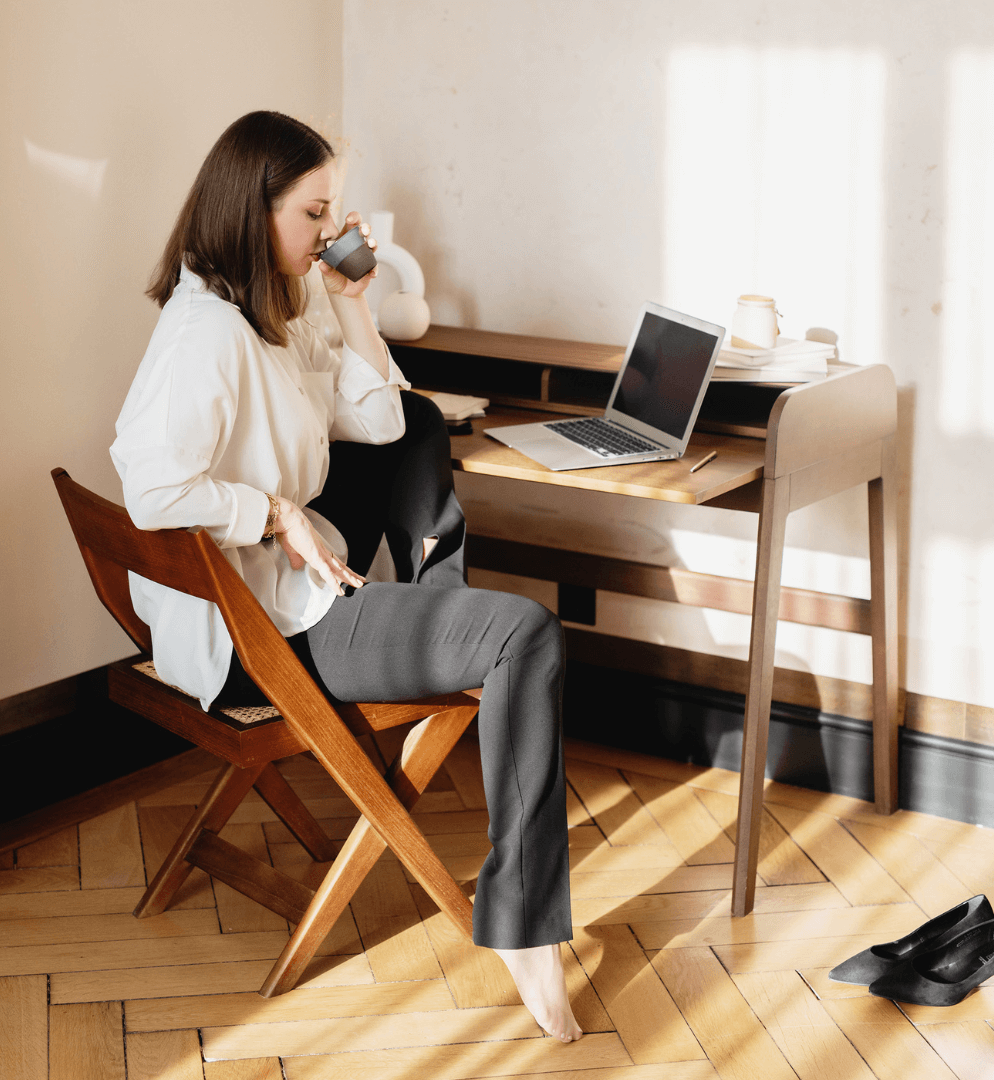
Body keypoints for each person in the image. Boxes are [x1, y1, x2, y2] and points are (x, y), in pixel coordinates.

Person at [110, 111, 582, 1042]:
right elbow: (149, 484)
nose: (329, 231)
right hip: (260, 633)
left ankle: (440, 629)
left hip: (286, 583)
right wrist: (273, 511)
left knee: (418, 426)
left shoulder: (266, 311)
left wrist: (350, 300)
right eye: (313, 213)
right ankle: (527, 928)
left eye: (332, 212)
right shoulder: (207, 333)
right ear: (255, 209)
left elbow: (379, 421)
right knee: (527, 631)